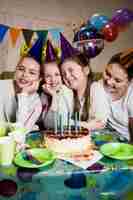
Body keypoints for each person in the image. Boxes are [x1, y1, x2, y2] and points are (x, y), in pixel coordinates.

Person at [90, 48, 133, 141]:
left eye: (117, 80)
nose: (109, 82)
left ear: (129, 82)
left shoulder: (131, 95)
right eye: (108, 74)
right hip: (106, 134)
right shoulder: (98, 85)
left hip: (126, 141)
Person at [60, 53, 105, 130]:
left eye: (71, 70)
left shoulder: (96, 88)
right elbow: (61, 121)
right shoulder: (65, 91)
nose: (67, 76)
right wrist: (88, 125)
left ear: (86, 70)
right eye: (63, 74)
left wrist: (72, 123)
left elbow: (100, 123)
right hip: (74, 137)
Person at [0, 55, 42, 131]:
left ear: (39, 79)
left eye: (32, 73)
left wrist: (24, 94)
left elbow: (19, 131)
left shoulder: (36, 103)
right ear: (15, 70)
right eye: (21, 69)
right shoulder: (2, 86)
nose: (25, 75)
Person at [39, 40, 73, 130]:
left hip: (65, 135)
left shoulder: (66, 92)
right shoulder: (44, 94)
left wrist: (54, 96)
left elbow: (53, 125)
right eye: (48, 76)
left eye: (57, 75)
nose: (53, 80)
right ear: (43, 78)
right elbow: (41, 120)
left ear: (62, 75)